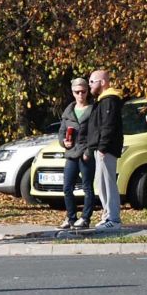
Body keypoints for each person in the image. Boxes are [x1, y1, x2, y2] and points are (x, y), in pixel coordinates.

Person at [86, 69, 124, 231]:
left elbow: (108, 125)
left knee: (108, 183)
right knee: (100, 183)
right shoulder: (102, 100)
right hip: (101, 148)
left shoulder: (110, 100)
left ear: (102, 82)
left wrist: (102, 147)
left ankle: (114, 219)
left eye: (92, 81)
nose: (89, 85)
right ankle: (107, 215)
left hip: (106, 149)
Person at [57, 77, 96, 230]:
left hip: (85, 155)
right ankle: (71, 217)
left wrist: (89, 151)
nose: (80, 95)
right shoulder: (68, 111)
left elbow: (95, 134)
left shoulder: (93, 110)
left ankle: (85, 218)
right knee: (67, 188)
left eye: (83, 91)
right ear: (72, 92)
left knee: (87, 188)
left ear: (87, 92)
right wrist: (64, 143)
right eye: (77, 92)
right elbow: (61, 132)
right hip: (71, 154)